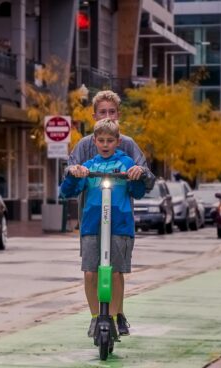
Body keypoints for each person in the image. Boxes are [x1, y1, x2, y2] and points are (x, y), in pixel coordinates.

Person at [66, 89, 155, 336]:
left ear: (119, 114)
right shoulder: (85, 144)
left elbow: (146, 177)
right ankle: (95, 317)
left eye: (112, 112)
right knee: (91, 269)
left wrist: (140, 173)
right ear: (94, 115)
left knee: (116, 268)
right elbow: (69, 172)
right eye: (103, 112)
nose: (108, 116)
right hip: (92, 216)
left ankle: (118, 314)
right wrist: (74, 171)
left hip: (120, 216)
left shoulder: (127, 144)